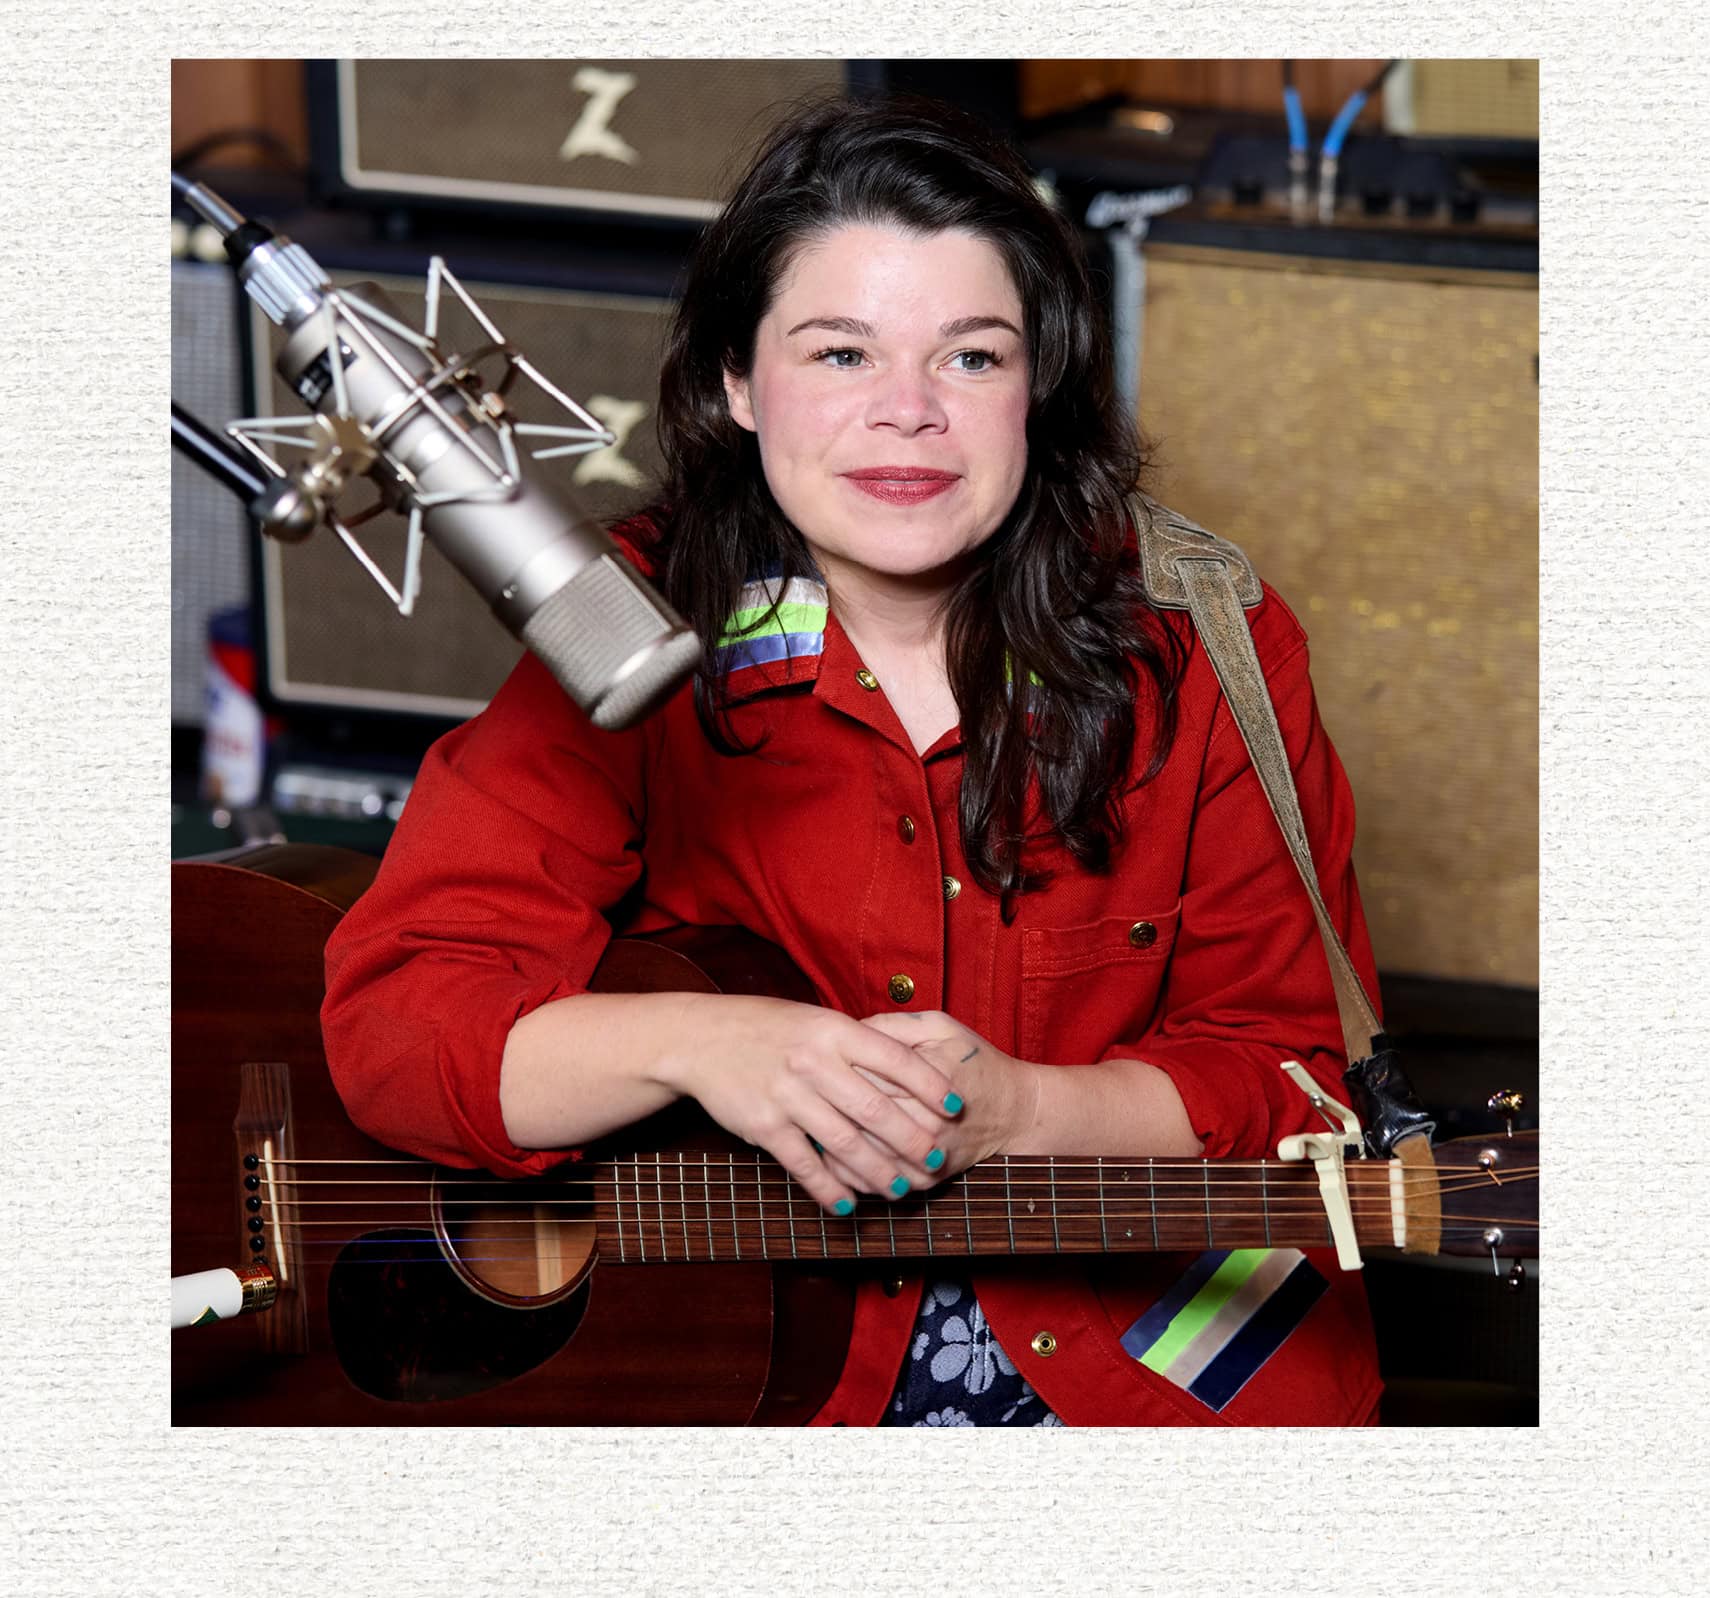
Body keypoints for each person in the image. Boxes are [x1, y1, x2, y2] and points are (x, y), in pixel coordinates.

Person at [320, 93, 1386, 1427]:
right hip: (763, 1363)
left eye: (970, 358)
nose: (907, 415)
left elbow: (1290, 1074)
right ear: (734, 380)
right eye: (837, 354)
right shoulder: (621, 625)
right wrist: (708, 1043)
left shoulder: (1203, 639)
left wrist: (1022, 1110)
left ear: (1036, 385)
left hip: (1151, 1368)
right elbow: (397, 1030)